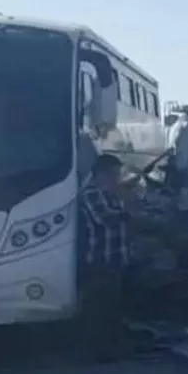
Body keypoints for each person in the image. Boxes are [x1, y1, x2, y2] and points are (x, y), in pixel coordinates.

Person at [79, 153, 135, 362]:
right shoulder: (92, 194)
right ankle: (98, 353)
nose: (116, 179)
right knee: (98, 311)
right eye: (113, 174)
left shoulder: (111, 194)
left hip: (116, 259)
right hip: (101, 261)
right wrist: (125, 201)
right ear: (101, 175)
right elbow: (107, 218)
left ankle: (112, 350)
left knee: (112, 309)